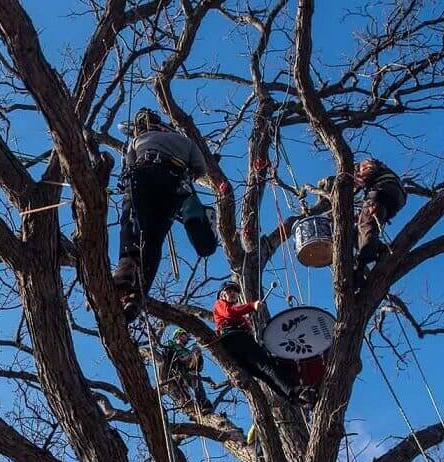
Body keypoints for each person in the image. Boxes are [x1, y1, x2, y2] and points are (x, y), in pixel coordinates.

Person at [113, 108, 209, 320]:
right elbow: (199, 169)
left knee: (131, 226)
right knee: (153, 240)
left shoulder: (137, 140)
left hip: (143, 175)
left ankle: (123, 279)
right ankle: (136, 297)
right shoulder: (184, 141)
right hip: (173, 185)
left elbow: (128, 167)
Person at [211, 282, 314, 404]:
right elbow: (230, 312)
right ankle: (295, 389)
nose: (233, 294)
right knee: (267, 365)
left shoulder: (234, 313)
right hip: (236, 338)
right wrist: (252, 305)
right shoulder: (220, 304)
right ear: (222, 294)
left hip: (234, 345)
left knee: (265, 375)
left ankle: (295, 399)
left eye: (235, 292)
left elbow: (235, 315)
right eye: (229, 291)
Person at [352, 157, 406, 277]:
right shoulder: (381, 177)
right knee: (354, 234)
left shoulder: (364, 164)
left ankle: (360, 267)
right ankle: (380, 249)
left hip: (383, 192)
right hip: (392, 198)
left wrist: (357, 177)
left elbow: (370, 170)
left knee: (366, 226)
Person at [152, 329, 212, 413]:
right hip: (175, 368)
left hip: (187, 369)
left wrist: (197, 356)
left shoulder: (187, 350)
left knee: (195, 374)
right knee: (186, 385)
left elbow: (198, 368)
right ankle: (189, 402)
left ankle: (203, 403)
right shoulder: (171, 343)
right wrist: (180, 358)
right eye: (185, 336)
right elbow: (166, 354)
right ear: (178, 335)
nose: (187, 338)